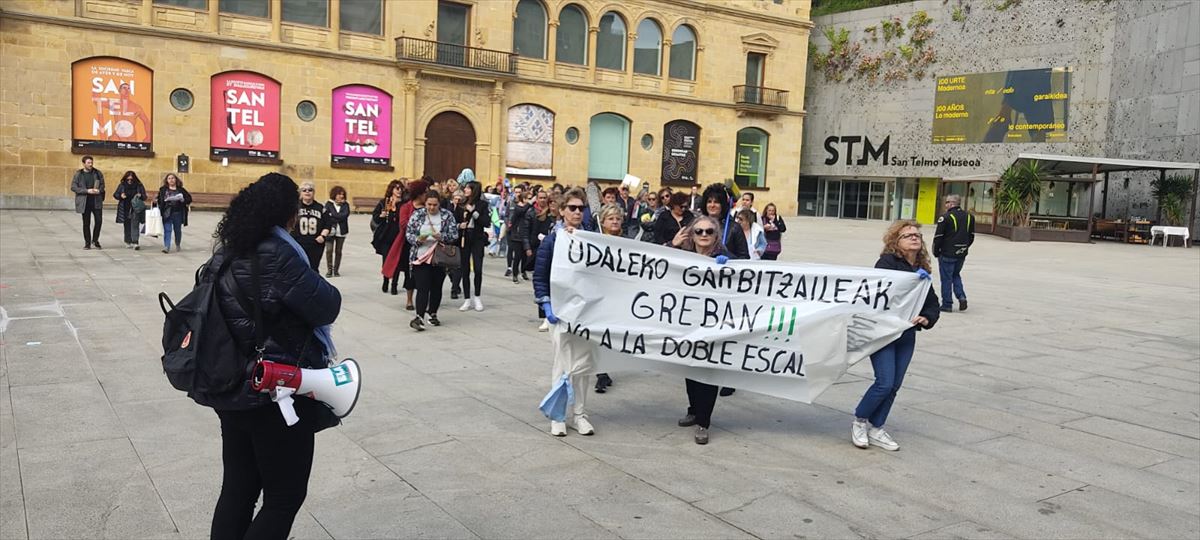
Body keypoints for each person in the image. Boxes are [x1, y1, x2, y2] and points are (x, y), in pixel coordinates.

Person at [206, 172, 342, 540]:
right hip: (275, 390)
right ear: (286, 213)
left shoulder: (226, 252)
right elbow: (327, 305)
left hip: (231, 386)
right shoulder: (281, 254)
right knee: (284, 496)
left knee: (238, 489)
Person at [852, 220, 940, 451]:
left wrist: (926, 317)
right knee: (884, 382)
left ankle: (876, 426)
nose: (915, 237)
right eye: (908, 235)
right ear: (896, 242)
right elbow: (880, 292)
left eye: (917, 235)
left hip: (906, 333)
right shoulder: (887, 263)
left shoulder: (921, 270)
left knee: (895, 385)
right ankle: (860, 421)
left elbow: (932, 303)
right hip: (884, 332)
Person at [533, 188, 597, 437]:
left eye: (581, 208)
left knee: (583, 366)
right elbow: (540, 275)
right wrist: (546, 304)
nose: (577, 212)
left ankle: (580, 414)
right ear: (561, 211)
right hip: (559, 311)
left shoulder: (591, 239)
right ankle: (558, 415)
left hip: (584, 312)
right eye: (572, 208)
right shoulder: (551, 241)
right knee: (562, 364)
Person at [668, 215, 731, 445]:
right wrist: (670, 246)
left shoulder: (725, 260)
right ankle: (693, 410)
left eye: (709, 232)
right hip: (686, 324)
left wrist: (731, 267)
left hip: (714, 327)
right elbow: (652, 265)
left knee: (708, 374)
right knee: (690, 370)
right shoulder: (681, 257)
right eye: (699, 231)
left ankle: (704, 422)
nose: (704, 235)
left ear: (716, 236)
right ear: (691, 235)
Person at [405, 190, 459, 331]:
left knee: (436, 286)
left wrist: (441, 236)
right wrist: (417, 239)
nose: (431, 208)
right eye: (429, 204)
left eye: (435, 205)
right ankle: (419, 317)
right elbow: (408, 233)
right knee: (422, 287)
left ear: (439, 204)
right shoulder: (418, 215)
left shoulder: (447, 216)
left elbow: (454, 234)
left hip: (439, 257)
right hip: (421, 256)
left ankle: (433, 313)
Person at [590, 203, 627, 394]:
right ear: (602, 221)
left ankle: (606, 368)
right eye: (611, 218)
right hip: (599, 295)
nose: (614, 221)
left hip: (620, 295)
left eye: (618, 218)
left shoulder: (629, 243)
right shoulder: (594, 240)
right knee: (599, 336)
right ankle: (601, 373)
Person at [383, 179, 430, 310]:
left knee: (425, 273)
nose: (427, 194)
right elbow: (403, 224)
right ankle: (409, 300)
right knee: (410, 273)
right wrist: (420, 227)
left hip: (426, 244)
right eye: (425, 192)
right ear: (419, 193)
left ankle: (424, 298)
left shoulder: (429, 207)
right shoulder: (406, 207)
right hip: (408, 244)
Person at [932, 194, 974, 313]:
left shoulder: (945, 217)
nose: (945, 205)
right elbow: (971, 236)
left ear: (951, 204)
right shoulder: (970, 217)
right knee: (955, 274)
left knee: (946, 278)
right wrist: (964, 248)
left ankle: (947, 304)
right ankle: (961, 297)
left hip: (947, 253)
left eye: (946, 202)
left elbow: (938, 237)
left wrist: (936, 251)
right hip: (961, 253)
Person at [456, 181, 489, 312]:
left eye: (468, 188)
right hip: (464, 238)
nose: (465, 190)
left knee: (478, 268)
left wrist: (474, 212)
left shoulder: (482, 205)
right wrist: (460, 225)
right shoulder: (461, 204)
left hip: (477, 239)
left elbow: (486, 222)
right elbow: (456, 220)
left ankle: (477, 296)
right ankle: (467, 299)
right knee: (464, 269)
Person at [371, 180, 404, 295]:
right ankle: (385, 280)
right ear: (392, 190)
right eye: (397, 188)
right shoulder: (384, 202)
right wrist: (381, 215)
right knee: (386, 260)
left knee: (398, 262)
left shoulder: (403, 204)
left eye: (400, 188)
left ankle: (394, 284)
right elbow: (375, 217)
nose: (399, 191)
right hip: (386, 236)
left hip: (398, 236)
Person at [532, 194, 559, 331]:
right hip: (544, 249)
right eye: (551, 202)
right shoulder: (543, 218)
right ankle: (544, 316)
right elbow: (534, 232)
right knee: (544, 280)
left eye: (555, 203)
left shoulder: (561, 222)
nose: (553, 205)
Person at [292, 181, 330, 271]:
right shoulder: (295, 207)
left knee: (313, 268)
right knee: (299, 268)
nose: (307, 192)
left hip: (315, 244)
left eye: (310, 190)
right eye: (304, 190)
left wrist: (323, 236)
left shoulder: (320, 208)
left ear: (314, 192)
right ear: (300, 193)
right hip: (298, 243)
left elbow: (328, 223)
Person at [70, 155, 106, 250]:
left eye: (91, 162)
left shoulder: (97, 173)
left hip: (96, 201)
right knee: (86, 223)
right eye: (88, 163)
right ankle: (87, 242)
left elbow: (102, 185)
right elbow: (73, 187)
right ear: (83, 163)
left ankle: (95, 240)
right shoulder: (79, 174)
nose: (90, 164)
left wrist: (99, 190)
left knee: (99, 221)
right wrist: (86, 191)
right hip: (85, 202)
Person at [156, 173, 192, 254]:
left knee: (177, 230)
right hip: (167, 212)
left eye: (173, 178)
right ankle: (166, 246)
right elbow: (159, 199)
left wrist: (182, 200)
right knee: (167, 230)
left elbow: (189, 199)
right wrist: (160, 201)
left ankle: (177, 243)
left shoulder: (181, 190)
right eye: (169, 178)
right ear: (167, 180)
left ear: (176, 180)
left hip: (177, 212)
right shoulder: (163, 189)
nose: (171, 180)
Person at [113, 170, 147, 250]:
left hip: (136, 207)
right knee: (127, 225)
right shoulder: (122, 185)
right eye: (128, 179)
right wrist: (121, 196)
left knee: (135, 224)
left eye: (131, 180)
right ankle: (128, 241)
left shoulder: (139, 185)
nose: (129, 181)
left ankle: (135, 242)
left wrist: (140, 195)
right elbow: (115, 194)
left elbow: (144, 196)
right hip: (125, 207)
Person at [507, 189, 536, 283]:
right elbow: (522, 211)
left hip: (526, 234)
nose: (530, 200)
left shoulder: (530, 208)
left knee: (525, 256)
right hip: (517, 235)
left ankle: (523, 271)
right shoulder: (518, 207)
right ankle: (515, 274)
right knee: (518, 256)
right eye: (528, 198)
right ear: (523, 199)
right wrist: (530, 203)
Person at [323, 186, 350, 277]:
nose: (341, 196)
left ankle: (336, 270)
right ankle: (329, 270)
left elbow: (345, 215)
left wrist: (334, 215)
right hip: (330, 231)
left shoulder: (346, 205)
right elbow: (328, 216)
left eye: (342, 194)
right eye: (339, 194)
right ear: (334, 194)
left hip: (341, 231)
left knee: (338, 251)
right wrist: (336, 216)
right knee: (329, 250)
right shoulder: (329, 204)